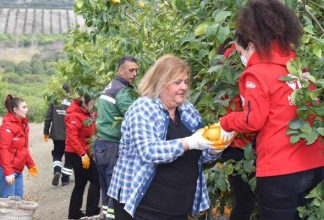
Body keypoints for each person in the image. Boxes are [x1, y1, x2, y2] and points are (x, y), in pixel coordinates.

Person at [217, 1, 324, 219]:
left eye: (241, 49)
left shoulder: (256, 73)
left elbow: (253, 120)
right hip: (313, 165)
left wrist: (227, 121)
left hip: (280, 169)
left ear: (252, 42)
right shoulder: (298, 68)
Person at [107, 55, 232, 219]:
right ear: (161, 82)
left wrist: (215, 148)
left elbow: (199, 154)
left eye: (186, 82)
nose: (183, 87)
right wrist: (189, 142)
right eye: (177, 82)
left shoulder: (187, 110)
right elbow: (148, 151)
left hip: (177, 207)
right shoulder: (143, 108)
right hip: (143, 207)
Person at [217, 40, 257, 220]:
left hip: (237, 143)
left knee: (247, 200)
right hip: (238, 143)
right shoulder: (235, 61)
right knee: (246, 200)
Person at [94, 56, 138, 219]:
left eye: (136, 70)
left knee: (106, 190)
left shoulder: (111, 86)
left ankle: (106, 216)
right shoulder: (123, 91)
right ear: (121, 70)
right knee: (116, 193)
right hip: (114, 146)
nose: (134, 74)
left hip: (101, 145)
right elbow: (133, 118)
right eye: (131, 70)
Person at [0, 94, 38, 198]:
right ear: (15, 110)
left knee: (18, 201)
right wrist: (8, 172)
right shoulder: (7, 127)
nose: (27, 109)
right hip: (4, 169)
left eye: (26, 107)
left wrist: (30, 164)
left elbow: (24, 148)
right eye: (24, 107)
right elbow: (3, 150)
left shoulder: (24, 125)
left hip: (18, 171)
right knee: (9, 204)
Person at [65, 94, 101, 220]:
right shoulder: (73, 115)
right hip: (76, 154)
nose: (93, 107)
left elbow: (93, 127)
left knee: (80, 183)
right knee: (96, 179)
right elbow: (72, 138)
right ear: (85, 103)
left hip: (83, 153)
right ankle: (92, 212)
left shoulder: (87, 114)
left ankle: (74, 214)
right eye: (91, 104)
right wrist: (83, 154)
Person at [43, 83, 74, 186]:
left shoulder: (54, 101)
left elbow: (48, 118)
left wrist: (46, 132)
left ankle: (57, 171)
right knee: (69, 157)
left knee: (57, 153)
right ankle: (65, 180)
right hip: (69, 136)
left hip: (57, 135)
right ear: (69, 91)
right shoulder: (72, 102)